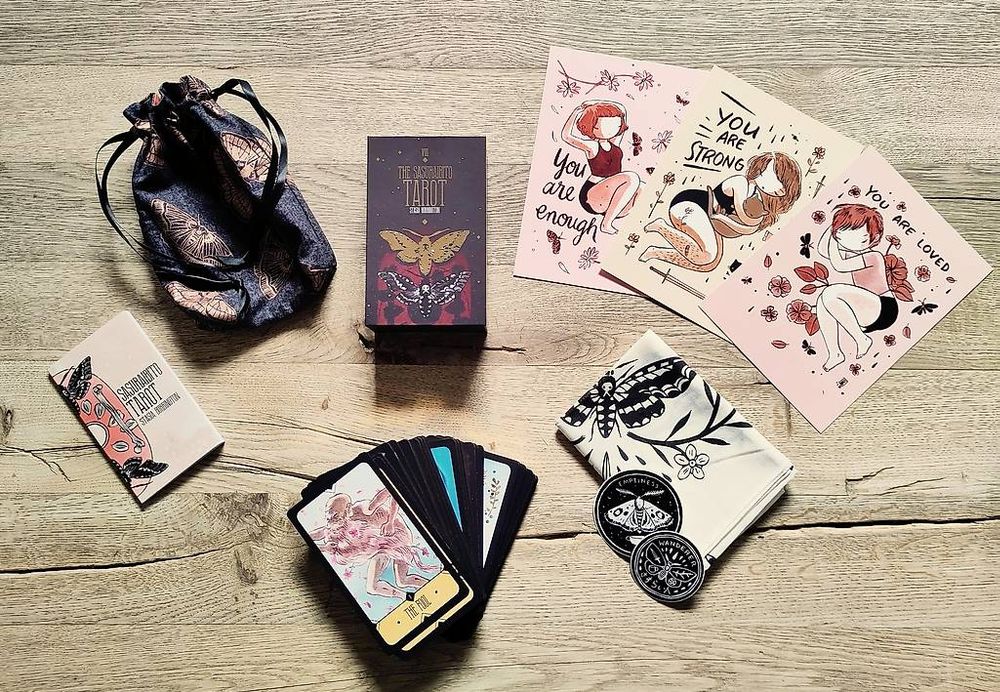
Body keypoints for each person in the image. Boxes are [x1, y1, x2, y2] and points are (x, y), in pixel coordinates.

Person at [639, 152, 802, 271]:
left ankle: (655, 253)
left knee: (708, 264)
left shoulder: (758, 198)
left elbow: (745, 227)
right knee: (707, 256)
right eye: (775, 178)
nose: (778, 189)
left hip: (710, 220)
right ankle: (661, 226)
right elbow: (744, 218)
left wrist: (751, 224)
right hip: (691, 205)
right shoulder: (740, 183)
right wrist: (752, 223)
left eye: (783, 188)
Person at [309, 490, 436, 600]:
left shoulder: (364, 509)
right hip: (380, 546)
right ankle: (407, 597)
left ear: (347, 509)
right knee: (374, 587)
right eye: (330, 516)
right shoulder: (336, 525)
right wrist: (324, 548)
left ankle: (437, 587)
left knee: (402, 580)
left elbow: (390, 491)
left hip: (397, 535)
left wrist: (390, 522)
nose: (332, 520)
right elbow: (315, 535)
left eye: (336, 515)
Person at [814, 203, 899, 371]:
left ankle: (861, 339)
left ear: (873, 238)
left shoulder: (873, 256)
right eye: (842, 235)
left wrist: (835, 236)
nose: (846, 240)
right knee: (822, 302)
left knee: (830, 292)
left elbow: (839, 265)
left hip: (884, 308)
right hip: (865, 312)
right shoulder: (852, 254)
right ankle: (835, 353)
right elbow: (823, 250)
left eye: (858, 236)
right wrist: (833, 229)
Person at [561, 100, 641, 235]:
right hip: (593, 194)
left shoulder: (614, 143)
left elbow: (622, 110)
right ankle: (606, 224)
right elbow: (566, 136)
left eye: (616, 125)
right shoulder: (593, 146)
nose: (612, 129)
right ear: (592, 127)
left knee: (642, 188)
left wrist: (596, 103)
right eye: (606, 126)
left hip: (611, 195)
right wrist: (577, 112)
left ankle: (628, 225)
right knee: (632, 178)